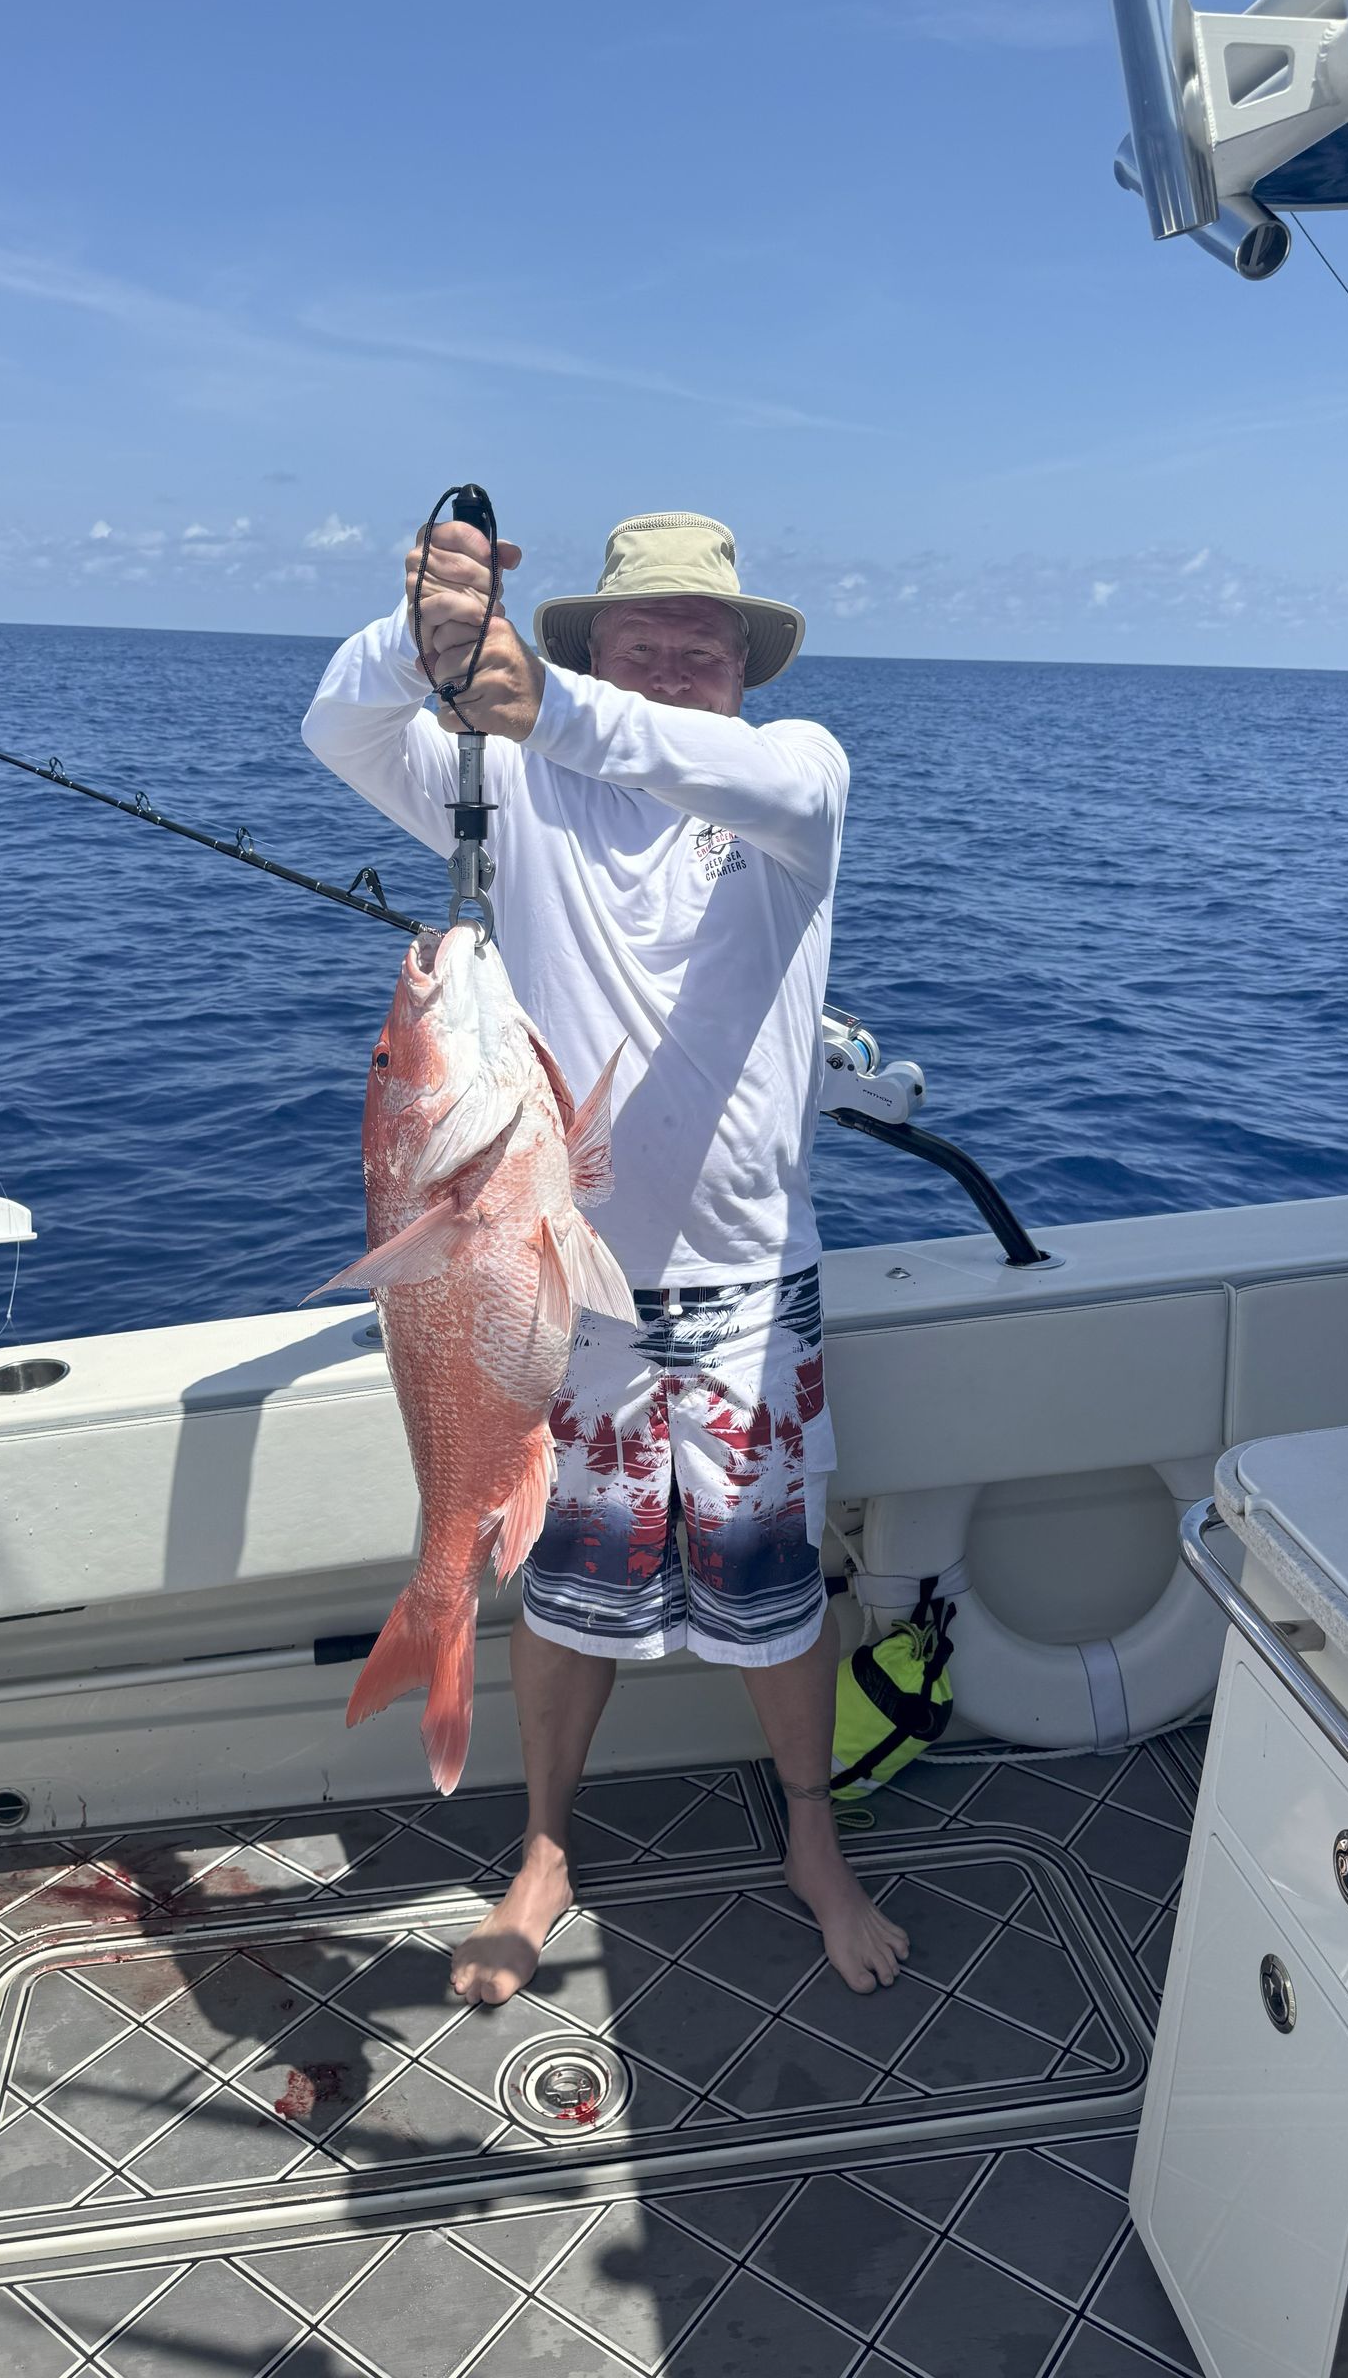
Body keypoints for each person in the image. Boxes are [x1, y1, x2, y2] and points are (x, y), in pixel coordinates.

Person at [301, 510, 908, 2001]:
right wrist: (424, 639)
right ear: (591, 638)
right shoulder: (506, 779)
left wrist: (557, 701)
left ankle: (813, 1841)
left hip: (753, 1287)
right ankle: (545, 1848)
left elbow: (739, 765)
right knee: (560, 1597)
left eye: (711, 638)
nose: (685, 655)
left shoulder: (794, 779)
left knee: (777, 1601)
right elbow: (341, 723)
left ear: (748, 663)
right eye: (648, 634)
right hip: (555, 1291)